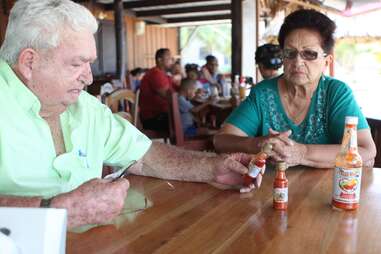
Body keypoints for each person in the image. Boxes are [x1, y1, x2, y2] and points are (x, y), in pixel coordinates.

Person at [0, 0, 262, 228]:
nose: (89, 77)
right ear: (29, 62)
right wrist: (55, 211)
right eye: (77, 64)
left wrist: (212, 168)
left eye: (89, 63)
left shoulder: (85, 107)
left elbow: (145, 156)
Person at [214, 9, 376, 168]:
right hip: (269, 188)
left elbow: (366, 149)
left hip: (323, 191)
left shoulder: (336, 93)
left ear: (327, 61)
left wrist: (302, 153)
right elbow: (221, 141)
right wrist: (259, 143)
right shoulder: (263, 92)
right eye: (290, 53)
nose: (298, 62)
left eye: (310, 54)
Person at [139, 48, 174, 131]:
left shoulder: (164, 74)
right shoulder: (155, 74)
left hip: (161, 114)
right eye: (168, 58)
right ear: (160, 60)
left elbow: (177, 90)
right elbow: (170, 97)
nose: (171, 60)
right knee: (188, 119)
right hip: (154, 118)